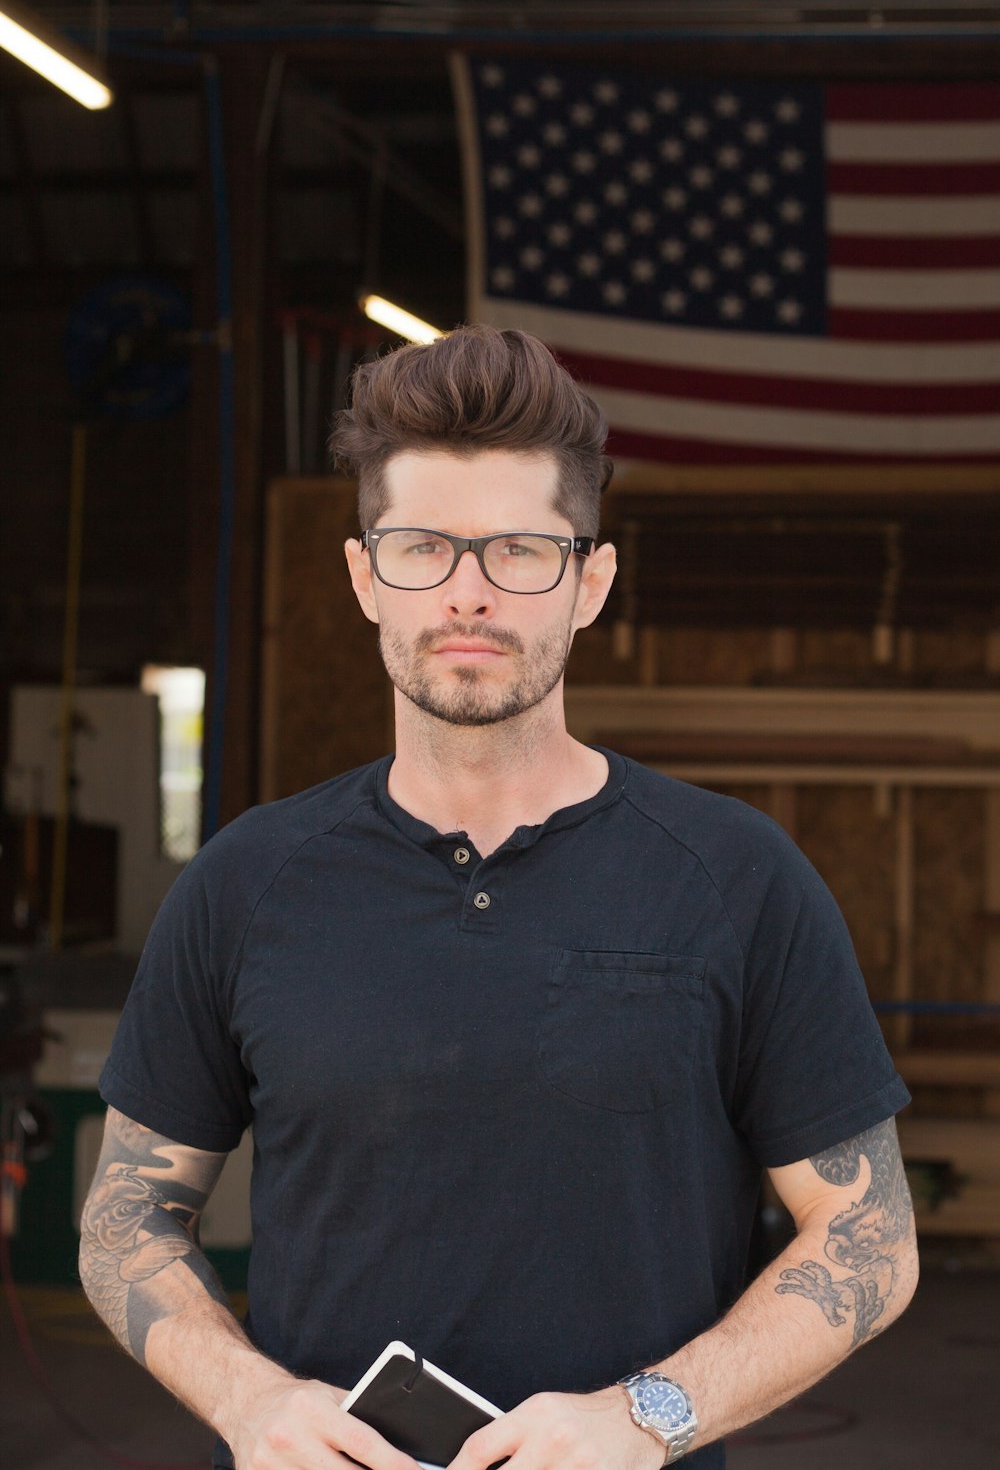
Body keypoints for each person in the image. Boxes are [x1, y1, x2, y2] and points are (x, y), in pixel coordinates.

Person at [80, 324, 917, 1470]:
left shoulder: (735, 877)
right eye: (422, 547)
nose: (467, 595)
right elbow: (126, 1216)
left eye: (520, 551)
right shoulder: (244, 885)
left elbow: (871, 1232)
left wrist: (644, 1418)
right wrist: (246, 1401)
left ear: (591, 580)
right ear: (362, 575)